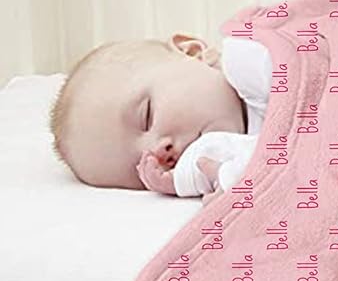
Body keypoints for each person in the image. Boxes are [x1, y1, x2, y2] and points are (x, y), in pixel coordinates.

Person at [49, 32, 271, 206]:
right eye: (141, 170)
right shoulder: (234, 159)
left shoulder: (249, 61)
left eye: (147, 116)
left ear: (192, 52)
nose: (157, 154)